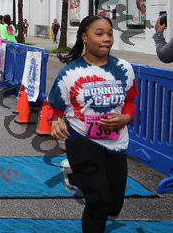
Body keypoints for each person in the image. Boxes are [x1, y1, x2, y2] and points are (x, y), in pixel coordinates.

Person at [49, 15, 137, 233]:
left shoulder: (124, 68)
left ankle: (73, 176)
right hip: (82, 141)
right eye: (99, 34)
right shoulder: (70, 73)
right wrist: (55, 122)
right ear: (84, 37)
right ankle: (80, 174)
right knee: (98, 203)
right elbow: (54, 106)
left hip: (116, 143)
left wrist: (126, 118)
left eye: (109, 34)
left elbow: (130, 101)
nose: (106, 38)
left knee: (114, 206)